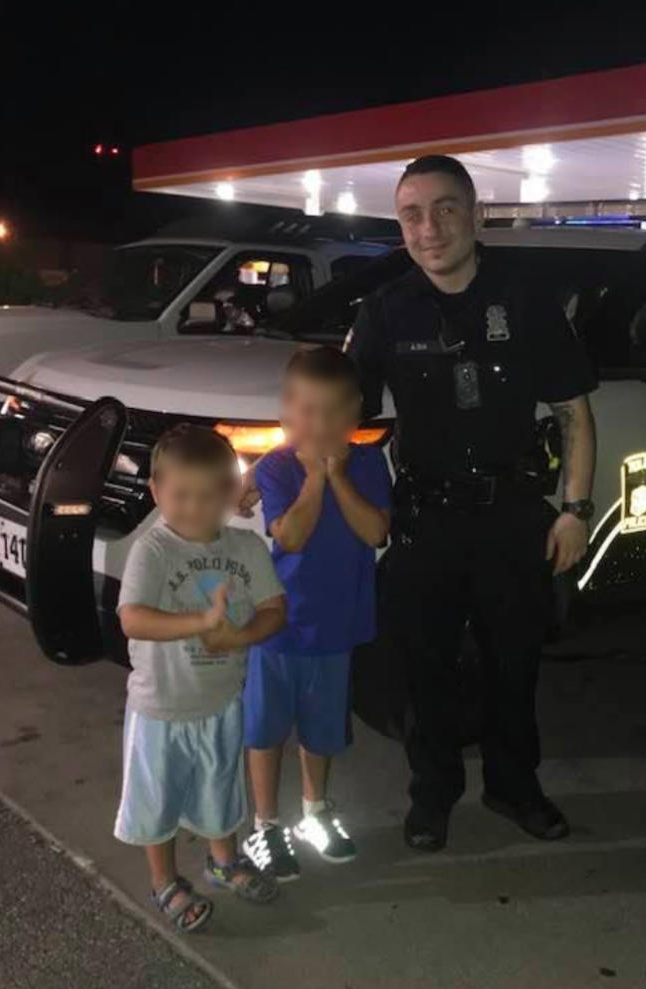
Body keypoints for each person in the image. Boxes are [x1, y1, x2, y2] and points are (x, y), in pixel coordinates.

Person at [345, 154, 597, 851]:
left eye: (446, 208)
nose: (430, 228)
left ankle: (516, 788)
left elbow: (573, 411)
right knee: (423, 671)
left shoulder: (523, 298)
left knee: (513, 664)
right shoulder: (385, 310)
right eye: (412, 214)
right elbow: (345, 415)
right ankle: (434, 796)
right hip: (425, 521)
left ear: (477, 213)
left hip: (514, 517)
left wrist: (576, 508)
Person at [114, 423, 286, 931]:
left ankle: (222, 860)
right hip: (160, 706)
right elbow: (133, 619)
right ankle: (164, 880)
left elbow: (274, 609)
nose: (195, 507)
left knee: (220, 789)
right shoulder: (154, 549)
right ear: (156, 491)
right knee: (157, 799)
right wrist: (201, 623)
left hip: (219, 699)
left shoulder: (245, 548)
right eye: (181, 495)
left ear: (232, 493)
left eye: (211, 495)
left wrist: (238, 635)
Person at [240, 347, 391, 882]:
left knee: (321, 730)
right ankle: (264, 824)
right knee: (264, 730)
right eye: (306, 410)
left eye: (332, 412)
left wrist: (338, 476)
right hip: (277, 624)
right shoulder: (280, 469)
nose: (319, 424)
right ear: (286, 416)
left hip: (335, 626)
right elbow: (293, 535)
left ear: (355, 415)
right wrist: (314, 479)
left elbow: (375, 532)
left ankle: (315, 810)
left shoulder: (369, 463)